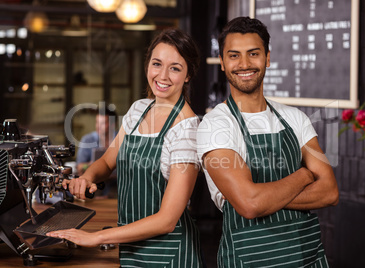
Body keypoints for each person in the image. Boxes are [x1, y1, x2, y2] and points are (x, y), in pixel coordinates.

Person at [47, 29, 203, 267]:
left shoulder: (187, 129)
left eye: (175, 68)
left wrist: (95, 237)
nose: (162, 75)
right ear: (147, 65)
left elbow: (167, 220)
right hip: (131, 244)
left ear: (188, 74)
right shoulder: (139, 110)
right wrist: (87, 177)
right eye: (157, 64)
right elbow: (108, 161)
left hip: (169, 253)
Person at [197, 17, 339, 267]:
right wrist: (305, 175)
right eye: (234, 55)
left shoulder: (295, 118)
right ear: (222, 62)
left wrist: (264, 196)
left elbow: (329, 192)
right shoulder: (216, 125)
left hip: (307, 258)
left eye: (253, 53)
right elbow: (250, 205)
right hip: (249, 260)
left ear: (268, 58)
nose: (244, 64)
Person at [76, 105, 117, 176]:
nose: (98, 126)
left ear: (112, 124)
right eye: (97, 122)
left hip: (116, 183)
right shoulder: (87, 140)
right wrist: (92, 165)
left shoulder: (121, 138)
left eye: (103, 123)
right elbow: (79, 166)